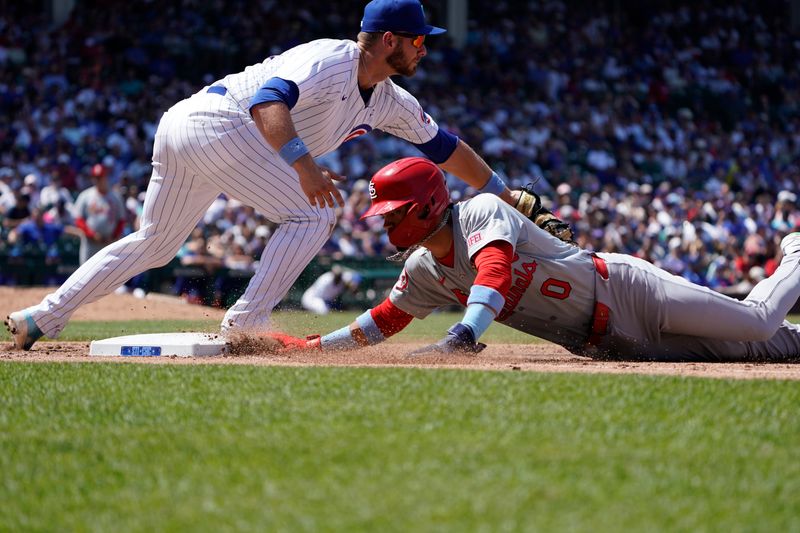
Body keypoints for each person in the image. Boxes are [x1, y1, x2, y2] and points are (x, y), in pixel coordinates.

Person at [4, 0, 561, 351]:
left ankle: (40, 318)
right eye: (419, 40)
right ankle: (244, 324)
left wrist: (497, 191)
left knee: (153, 244)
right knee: (315, 209)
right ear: (389, 40)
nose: (424, 49)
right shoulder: (329, 58)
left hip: (187, 129)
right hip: (213, 125)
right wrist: (304, 166)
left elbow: (445, 148)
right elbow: (270, 101)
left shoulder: (388, 99)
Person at [269, 157, 800, 362]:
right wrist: (314, 345)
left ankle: (795, 251)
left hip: (625, 290)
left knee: (756, 321)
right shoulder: (424, 269)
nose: (385, 222)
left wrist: (463, 335)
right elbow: (384, 319)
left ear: (429, 203)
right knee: (765, 352)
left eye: (394, 211)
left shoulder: (477, 211)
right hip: (605, 343)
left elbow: (494, 270)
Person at [71, 163, 126, 264]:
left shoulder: (115, 197)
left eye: (100, 177)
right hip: (90, 244)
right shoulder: (85, 195)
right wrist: (92, 234)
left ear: (106, 177)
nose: (98, 180)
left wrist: (114, 236)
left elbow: (121, 220)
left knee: (110, 276)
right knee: (86, 275)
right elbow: (78, 220)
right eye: (96, 177)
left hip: (110, 244)